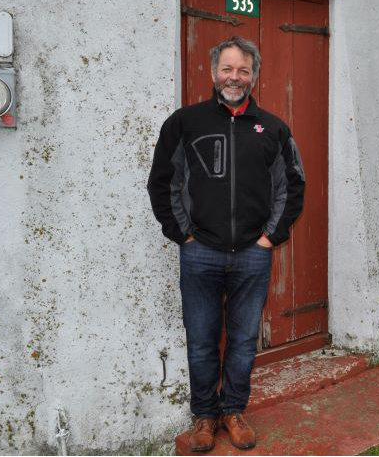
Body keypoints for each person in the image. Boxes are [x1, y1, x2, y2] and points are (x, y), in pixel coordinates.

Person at [147, 37, 305, 451]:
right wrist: (183, 234)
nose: (235, 78)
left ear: (254, 75)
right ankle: (204, 417)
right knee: (201, 339)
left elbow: (292, 186)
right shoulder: (184, 123)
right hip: (200, 253)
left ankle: (233, 411)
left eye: (243, 70)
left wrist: (271, 237)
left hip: (254, 254)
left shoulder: (273, 128)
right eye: (227, 69)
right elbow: (163, 183)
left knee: (242, 340)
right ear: (213, 71)